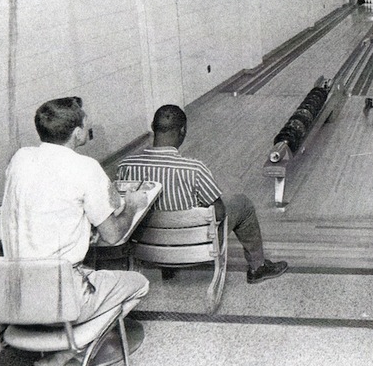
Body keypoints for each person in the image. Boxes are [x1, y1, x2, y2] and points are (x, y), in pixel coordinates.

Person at [0, 96, 150, 366]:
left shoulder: (20, 158)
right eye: (85, 122)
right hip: (61, 301)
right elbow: (114, 236)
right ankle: (68, 354)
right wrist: (131, 205)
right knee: (139, 285)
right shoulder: (85, 167)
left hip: (9, 299)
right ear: (78, 133)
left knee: (80, 268)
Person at [116, 104, 287, 284]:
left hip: (147, 249)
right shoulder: (194, 169)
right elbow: (219, 214)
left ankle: (167, 267)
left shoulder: (126, 167)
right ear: (183, 131)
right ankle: (258, 267)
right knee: (242, 203)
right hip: (192, 247)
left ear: (153, 127)